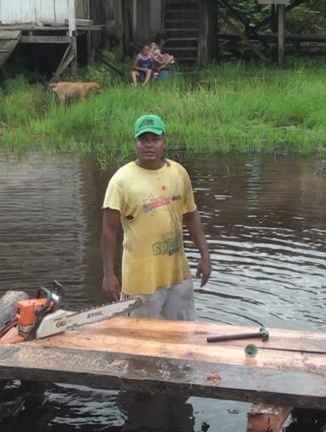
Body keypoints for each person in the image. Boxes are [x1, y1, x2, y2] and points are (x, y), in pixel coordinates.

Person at [101, 114, 211, 431]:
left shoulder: (178, 173)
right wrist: (108, 274)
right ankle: (141, 405)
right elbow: (108, 232)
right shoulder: (121, 180)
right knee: (139, 346)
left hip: (177, 273)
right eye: (143, 139)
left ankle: (177, 395)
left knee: (183, 339)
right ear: (135, 143)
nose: (149, 145)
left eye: (155, 138)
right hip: (140, 278)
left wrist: (205, 255)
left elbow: (191, 216)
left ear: (164, 141)